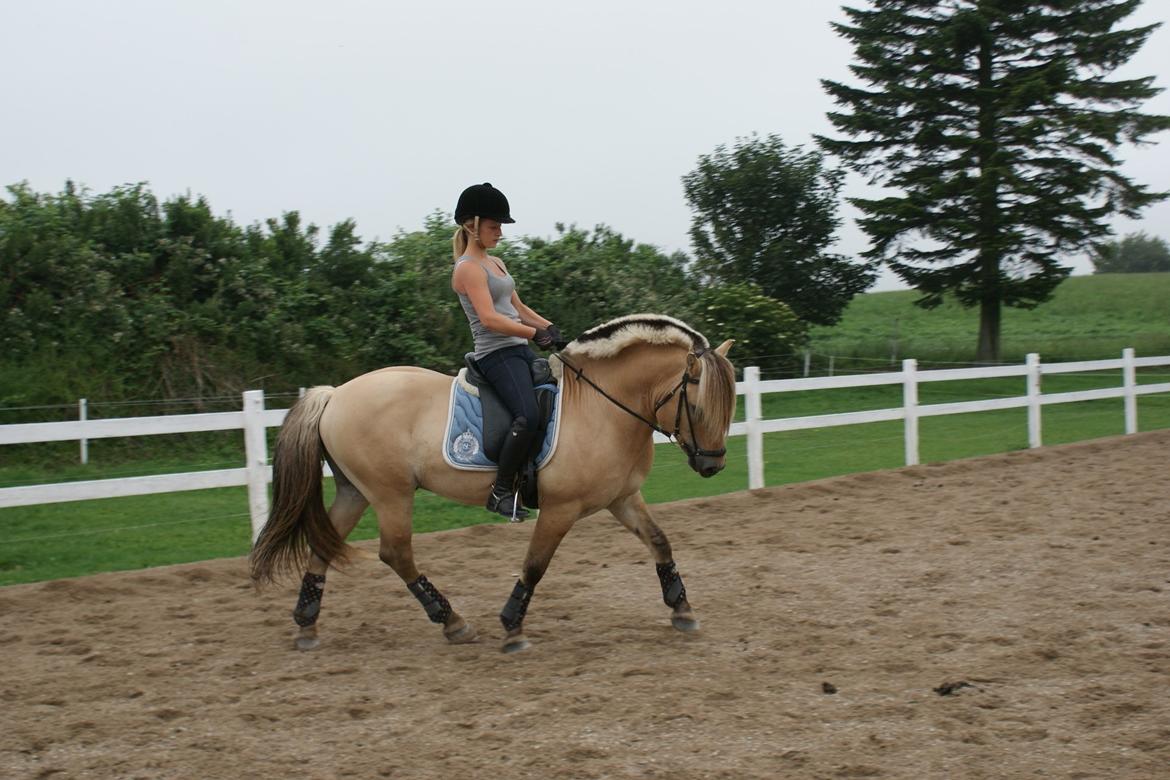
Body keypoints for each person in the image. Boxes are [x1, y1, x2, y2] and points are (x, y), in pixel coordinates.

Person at [451, 183, 562, 520]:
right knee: (526, 416)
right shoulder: (468, 268)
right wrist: (534, 333)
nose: (500, 233)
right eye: (494, 226)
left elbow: (518, 306)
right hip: (495, 354)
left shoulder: (495, 262)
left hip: (518, 349)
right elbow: (491, 319)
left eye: (500, 227)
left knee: (554, 396)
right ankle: (500, 491)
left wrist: (551, 329)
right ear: (472, 226)